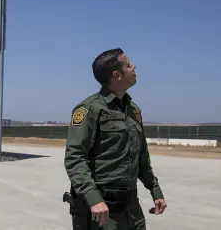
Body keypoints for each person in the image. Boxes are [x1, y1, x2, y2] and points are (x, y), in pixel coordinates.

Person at [64, 48, 167, 230]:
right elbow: (75, 158)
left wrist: (155, 190)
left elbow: (141, 155)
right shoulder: (89, 109)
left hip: (132, 209)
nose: (134, 66)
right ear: (117, 75)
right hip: (101, 211)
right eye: (128, 65)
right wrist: (93, 199)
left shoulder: (133, 111)